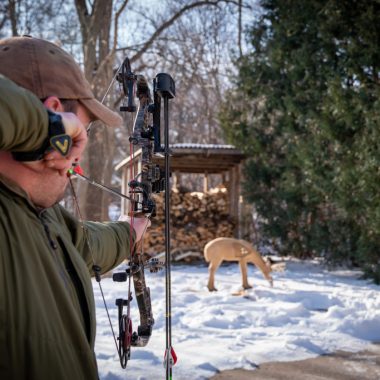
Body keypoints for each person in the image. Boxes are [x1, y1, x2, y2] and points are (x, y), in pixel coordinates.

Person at [0, 36, 149, 379]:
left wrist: (130, 231)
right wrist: (42, 128)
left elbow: (85, 245)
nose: (79, 153)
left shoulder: (45, 217)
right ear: (55, 119)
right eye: (83, 127)